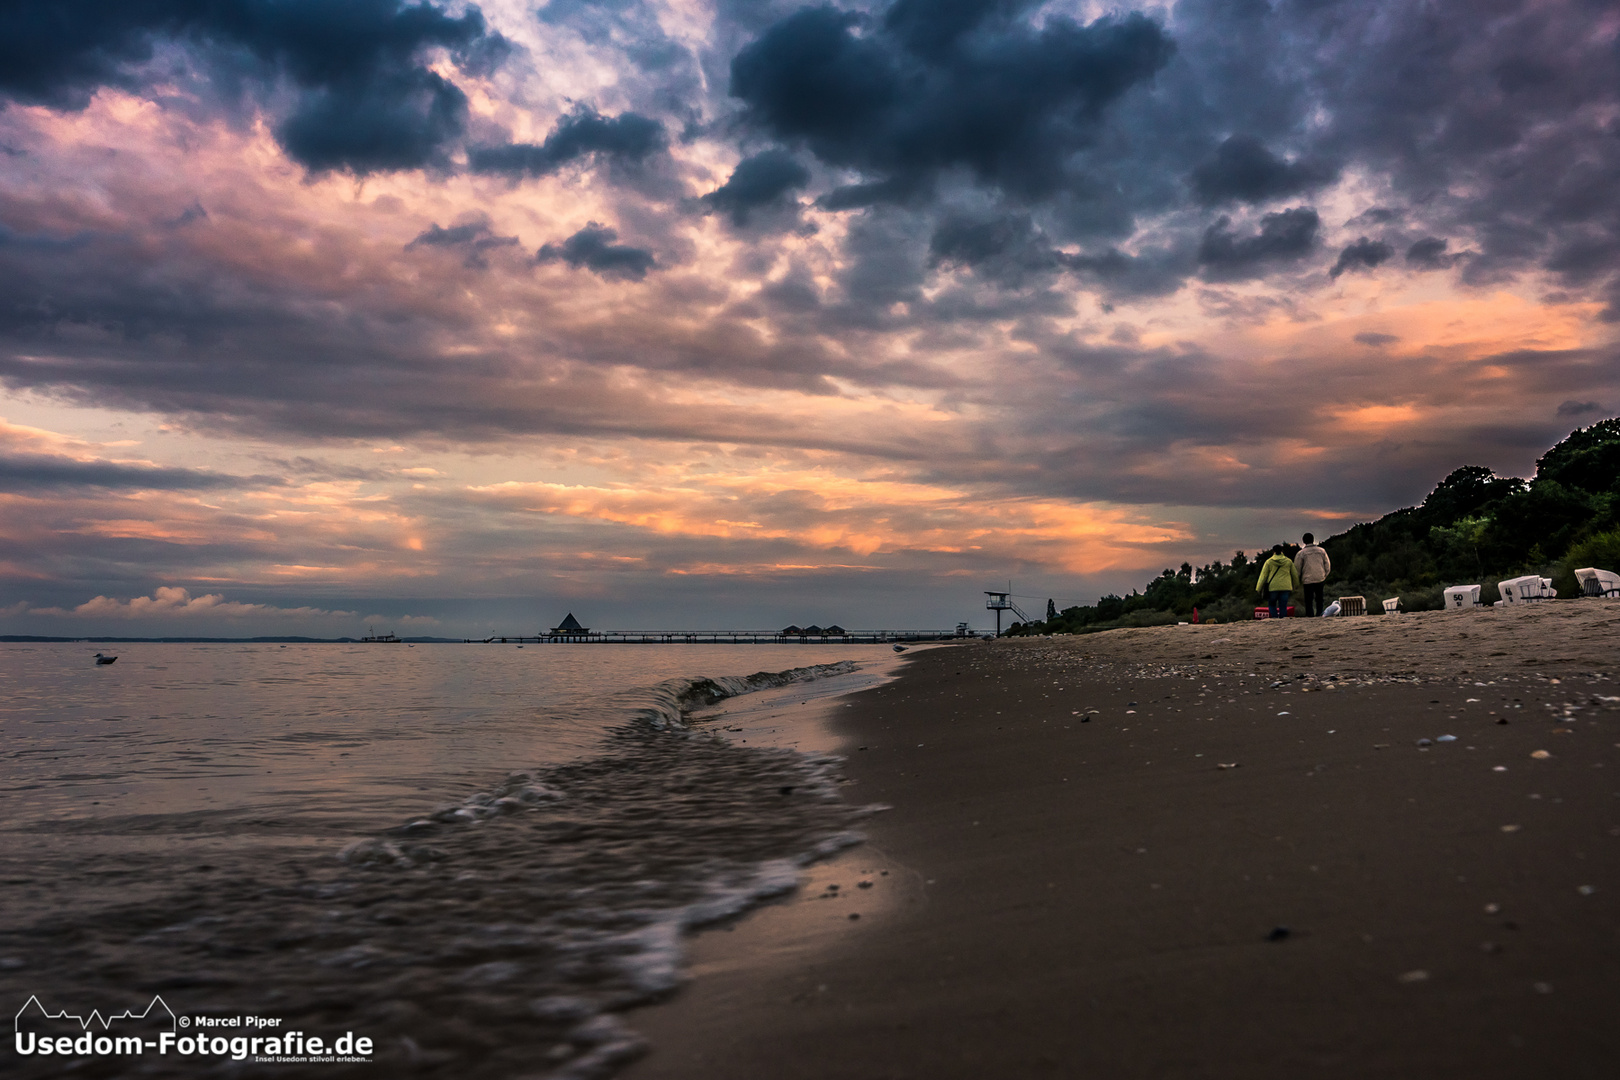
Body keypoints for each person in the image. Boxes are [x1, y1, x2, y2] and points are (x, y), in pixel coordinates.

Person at [1256, 543, 1301, 619]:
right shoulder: (1288, 561)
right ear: (1282, 551)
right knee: (1283, 605)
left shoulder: (1269, 562)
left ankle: (1275, 618)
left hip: (1272, 587)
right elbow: (1294, 575)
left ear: (1273, 551)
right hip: (1286, 587)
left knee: (1272, 604)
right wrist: (1296, 585)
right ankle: (1282, 620)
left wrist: (1258, 588)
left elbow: (1263, 576)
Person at [1294, 532, 1332, 617]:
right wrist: (1324, 575)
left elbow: (1297, 568)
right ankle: (1320, 613)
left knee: (1308, 599)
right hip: (1320, 577)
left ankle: (1310, 615)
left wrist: (1298, 580)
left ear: (1304, 541)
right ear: (1313, 540)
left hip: (1307, 579)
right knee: (1319, 598)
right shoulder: (1322, 551)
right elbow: (1327, 565)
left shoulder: (1301, 553)